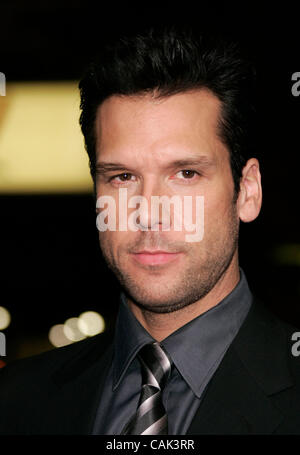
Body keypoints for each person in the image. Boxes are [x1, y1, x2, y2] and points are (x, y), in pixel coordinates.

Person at [0, 24, 300, 435]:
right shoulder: (16, 400)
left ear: (247, 192)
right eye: (122, 177)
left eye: (186, 173)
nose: (147, 212)